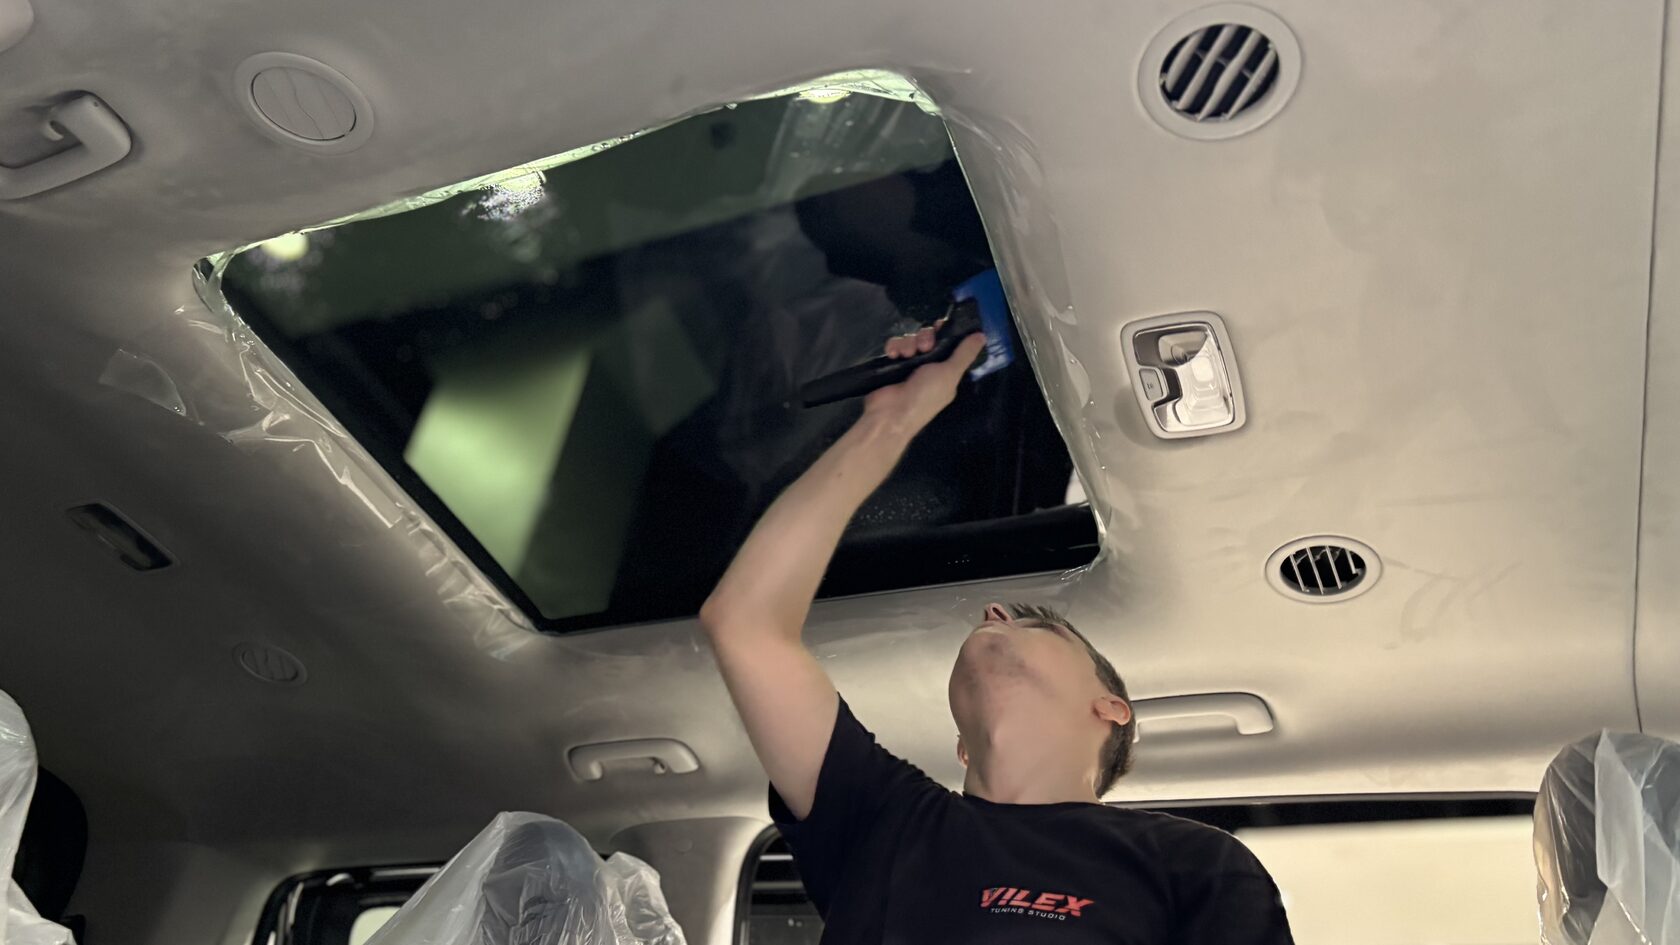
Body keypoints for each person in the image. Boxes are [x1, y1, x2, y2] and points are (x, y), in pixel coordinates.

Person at [701, 328, 1294, 943]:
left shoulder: (1194, 862)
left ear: (1112, 708)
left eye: (1036, 624)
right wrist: (892, 422)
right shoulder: (885, 818)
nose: (993, 613)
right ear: (962, 747)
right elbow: (746, 626)